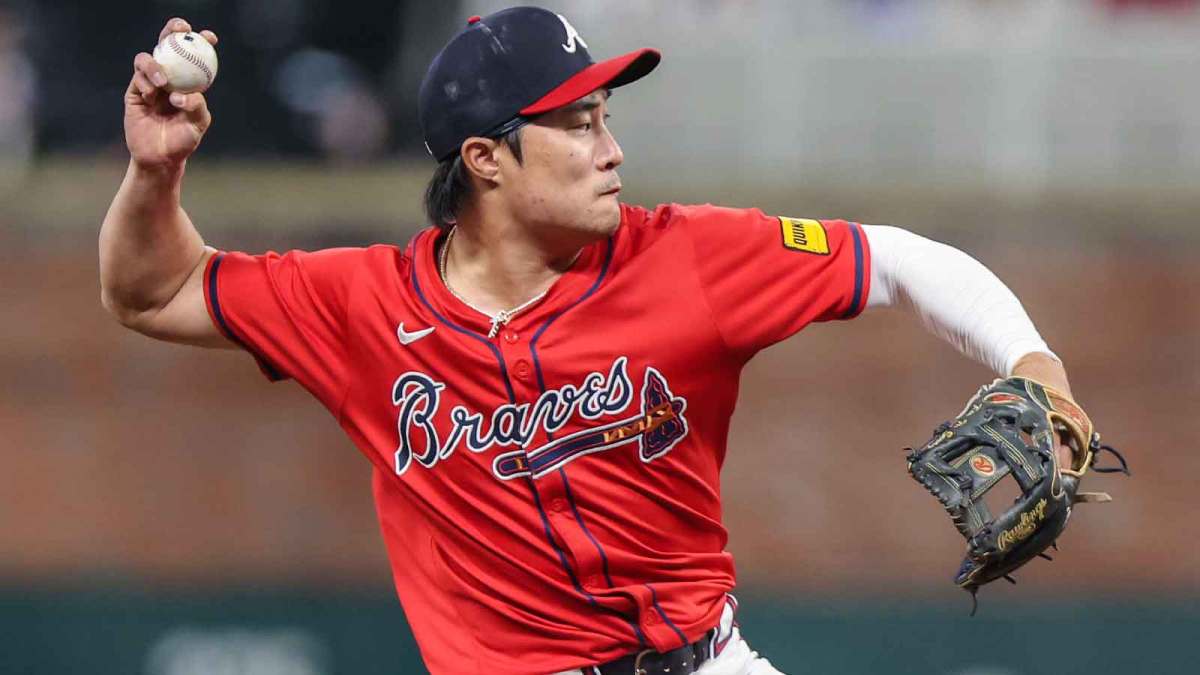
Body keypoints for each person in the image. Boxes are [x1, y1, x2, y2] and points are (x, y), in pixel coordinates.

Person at [101, 8, 1078, 675]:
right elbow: (156, 290)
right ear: (484, 159)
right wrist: (154, 175)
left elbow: (899, 259)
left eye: (607, 117)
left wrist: (1034, 361)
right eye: (575, 125)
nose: (610, 149)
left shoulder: (685, 257)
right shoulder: (363, 306)